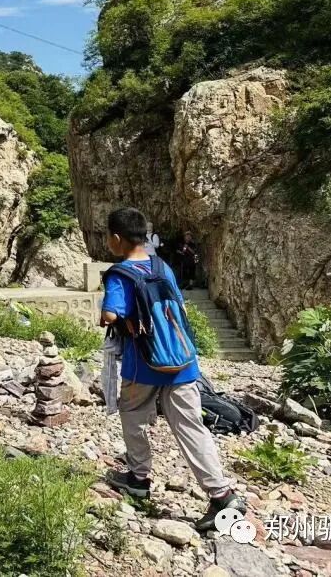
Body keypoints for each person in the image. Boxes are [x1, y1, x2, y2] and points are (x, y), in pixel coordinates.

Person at [100, 207, 245, 531]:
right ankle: (222, 495)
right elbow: (177, 303)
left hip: (144, 364)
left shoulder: (120, 274)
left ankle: (138, 478)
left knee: (133, 414)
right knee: (191, 427)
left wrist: (110, 316)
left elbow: (110, 315)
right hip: (182, 361)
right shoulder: (162, 266)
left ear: (117, 239)